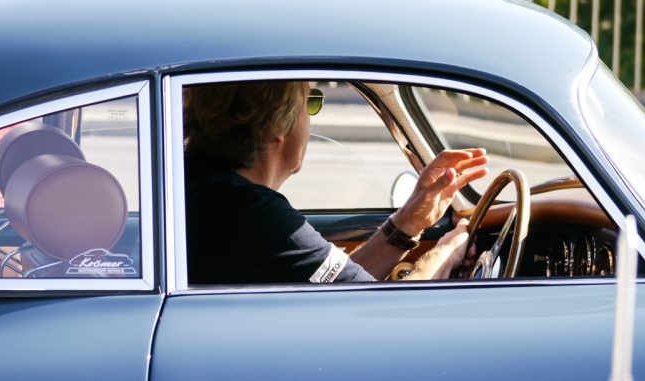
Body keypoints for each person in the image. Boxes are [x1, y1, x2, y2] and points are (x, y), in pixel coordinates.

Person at [184, 81, 488, 284]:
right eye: (310, 101)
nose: (310, 116)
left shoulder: (210, 192)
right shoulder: (254, 216)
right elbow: (376, 313)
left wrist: (408, 222)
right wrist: (446, 253)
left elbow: (338, 285)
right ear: (278, 124)